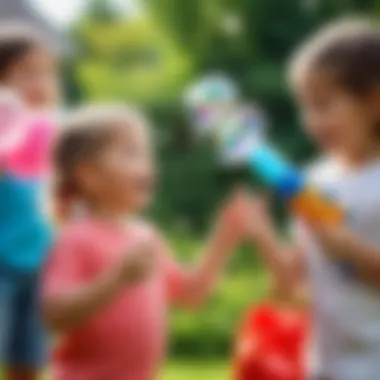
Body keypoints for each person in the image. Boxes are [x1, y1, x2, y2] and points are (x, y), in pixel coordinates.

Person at [42, 105, 252, 380]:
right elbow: (54, 313)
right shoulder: (77, 238)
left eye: (147, 155)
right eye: (131, 154)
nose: (147, 166)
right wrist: (116, 278)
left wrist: (223, 240)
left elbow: (190, 293)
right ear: (89, 175)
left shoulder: (145, 236)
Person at [245, 19, 380, 380]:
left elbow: (345, 255)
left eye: (322, 105)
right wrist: (263, 236)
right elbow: (292, 289)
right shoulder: (316, 182)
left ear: (374, 101)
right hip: (324, 367)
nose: (310, 121)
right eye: (304, 107)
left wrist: (347, 247)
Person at [0, 22, 60, 380]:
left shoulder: (51, 138)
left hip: (39, 265)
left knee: (29, 360)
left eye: (47, 74)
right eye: (27, 74)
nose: (41, 84)